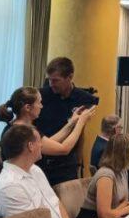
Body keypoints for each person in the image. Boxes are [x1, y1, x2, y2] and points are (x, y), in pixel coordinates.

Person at [0, 125, 78, 218]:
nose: (42, 145)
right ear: (30, 146)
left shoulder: (35, 169)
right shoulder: (9, 186)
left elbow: (55, 201)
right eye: (39, 141)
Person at [34, 57, 99, 185]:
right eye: (49, 80)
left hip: (66, 164)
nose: (51, 84)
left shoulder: (84, 99)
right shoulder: (40, 96)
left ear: (70, 77)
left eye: (55, 80)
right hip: (40, 160)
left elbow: (80, 133)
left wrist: (79, 161)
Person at [0, 86, 95, 161]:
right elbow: (64, 149)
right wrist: (81, 122)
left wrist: (72, 123)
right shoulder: (23, 132)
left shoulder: (16, 127)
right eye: (39, 102)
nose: (41, 106)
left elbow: (46, 143)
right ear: (28, 107)